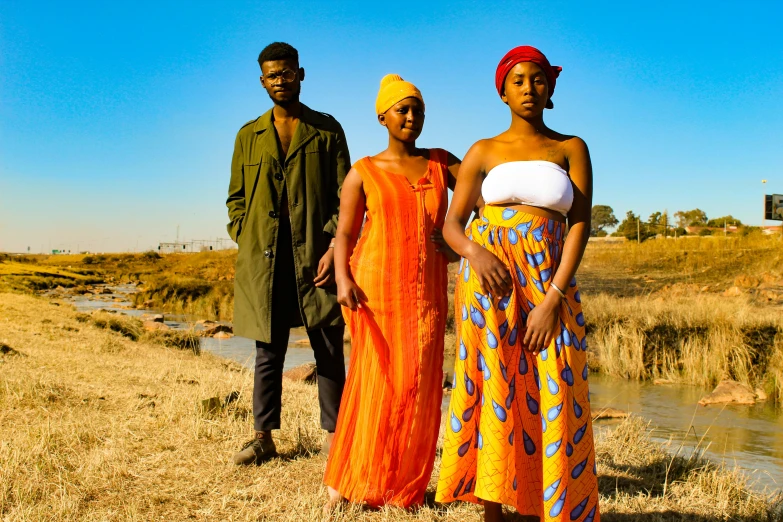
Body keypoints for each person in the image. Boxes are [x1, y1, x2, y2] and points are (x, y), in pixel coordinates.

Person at [436, 46, 600, 522]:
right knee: (494, 384)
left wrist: (553, 297)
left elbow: (580, 224)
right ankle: (492, 508)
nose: (530, 88)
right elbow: (453, 224)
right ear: (503, 91)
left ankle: (541, 505)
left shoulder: (571, 147)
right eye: (519, 81)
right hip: (490, 284)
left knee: (554, 383)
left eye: (539, 80)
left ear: (551, 89)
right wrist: (475, 252)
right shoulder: (483, 150)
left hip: (549, 283)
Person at [322, 74, 460, 511]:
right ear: (382, 116)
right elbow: (344, 233)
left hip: (427, 294)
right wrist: (343, 280)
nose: (411, 117)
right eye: (402, 109)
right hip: (375, 292)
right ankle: (348, 480)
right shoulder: (363, 172)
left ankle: (404, 486)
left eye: (418, 109)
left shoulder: (442, 163)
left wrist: (461, 241)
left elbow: (486, 196)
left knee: (419, 387)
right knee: (376, 384)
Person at [226, 42, 350, 466]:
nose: (280, 80)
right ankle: (263, 437)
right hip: (266, 259)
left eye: (287, 72)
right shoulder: (249, 135)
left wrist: (334, 245)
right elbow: (235, 199)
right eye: (272, 75)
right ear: (262, 81)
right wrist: (244, 233)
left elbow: (345, 199)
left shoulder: (328, 131)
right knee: (268, 350)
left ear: (301, 74)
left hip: (318, 256)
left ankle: (335, 439)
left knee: (328, 343)